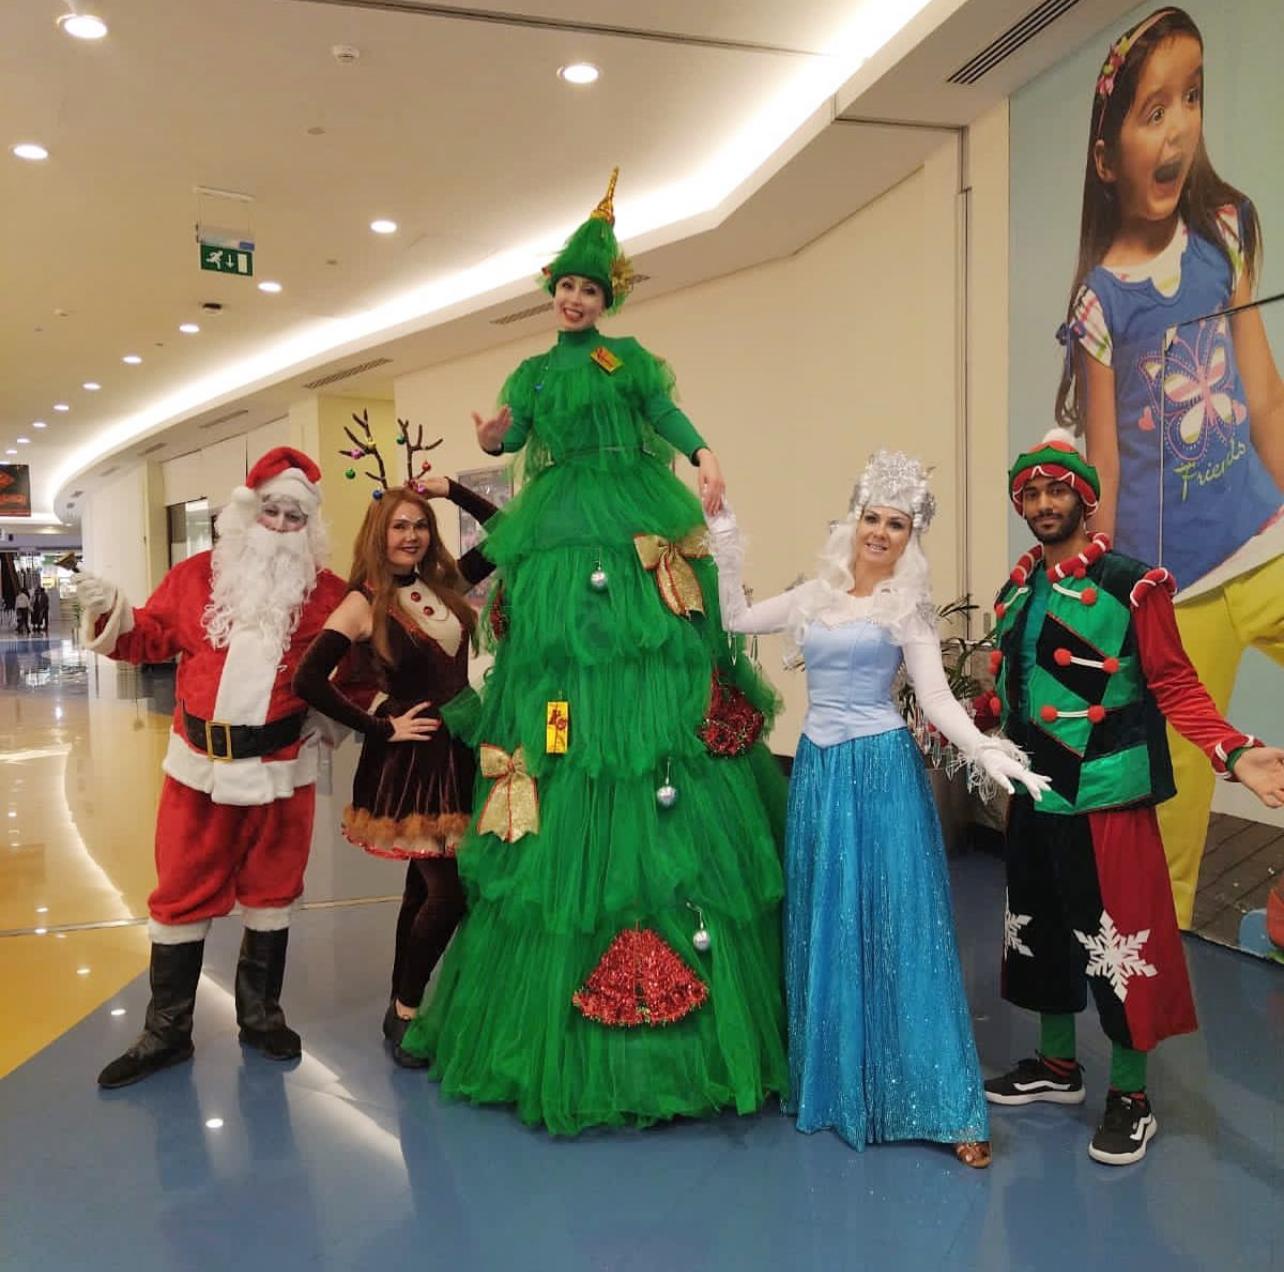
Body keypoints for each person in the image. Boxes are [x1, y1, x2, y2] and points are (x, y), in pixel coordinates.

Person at [397, 169, 790, 1133]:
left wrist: (701, 455)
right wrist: (494, 432)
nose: (576, 299)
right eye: (565, 287)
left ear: (607, 297)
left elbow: (666, 420)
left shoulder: (632, 364)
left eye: (590, 288)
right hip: (567, 532)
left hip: (631, 520)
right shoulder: (531, 377)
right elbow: (514, 431)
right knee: (569, 687)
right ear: (551, 295)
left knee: (649, 662)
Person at [707, 451, 1048, 1168]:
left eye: (897, 524)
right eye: (873, 518)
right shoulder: (814, 595)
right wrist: (722, 524)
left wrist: (984, 750)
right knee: (828, 921)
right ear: (854, 520)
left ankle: (941, 1102)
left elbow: (935, 698)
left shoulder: (906, 607)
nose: (881, 533)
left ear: (909, 536)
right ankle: (836, 1087)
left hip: (884, 772)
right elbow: (735, 615)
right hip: (822, 774)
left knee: (902, 928)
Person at [984, 429, 1284, 1164]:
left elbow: (1174, 681)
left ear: (1084, 500)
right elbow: (1008, 685)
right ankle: (1058, 1067)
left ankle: (1131, 1094)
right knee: (1043, 931)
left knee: (1121, 946)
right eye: (1033, 493)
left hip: (1107, 795)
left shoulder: (1132, 582)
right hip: (1036, 791)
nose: (1046, 503)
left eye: (1059, 490)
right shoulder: (1017, 588)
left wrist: (1234, 751)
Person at [1054, 6, 1284, 933]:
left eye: (1191, 97)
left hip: (1265, 546)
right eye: (1152, 110)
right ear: (1107, 159)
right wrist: (1104, 603)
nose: (1180, 124)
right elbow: (1103, 463)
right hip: (1174, 597)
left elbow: (1263, 397)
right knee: (1173, 830)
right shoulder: (1099, 301)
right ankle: (1159, 1033)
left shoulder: (1224, 232)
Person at [77, 448, 352, 1088]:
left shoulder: (331, 594)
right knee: (178, 895)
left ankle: (260, 1017)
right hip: (197, 771)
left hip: (285, 772)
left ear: (309, 525)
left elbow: (359, 672)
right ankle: (166, 1031)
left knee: (272, 894)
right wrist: (108, 608)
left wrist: (333, 721)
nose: (282, 526)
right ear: (246, 512)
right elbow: (143, 639)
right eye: (272, 511)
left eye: (294, 516)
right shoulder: (197, 577)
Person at [294, 474, 500, 1065]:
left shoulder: (446, 583)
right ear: (377, 536)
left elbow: (507, 534)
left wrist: (452, 490)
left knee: (422, 885)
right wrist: (381, 726)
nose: (410, 536)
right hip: (414, 762)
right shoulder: (363, 602)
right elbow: (307, 680)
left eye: (419, 525)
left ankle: (398, 1003)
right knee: (449, 891)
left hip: (461, 750)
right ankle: (406, 1008)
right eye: (398, 527)